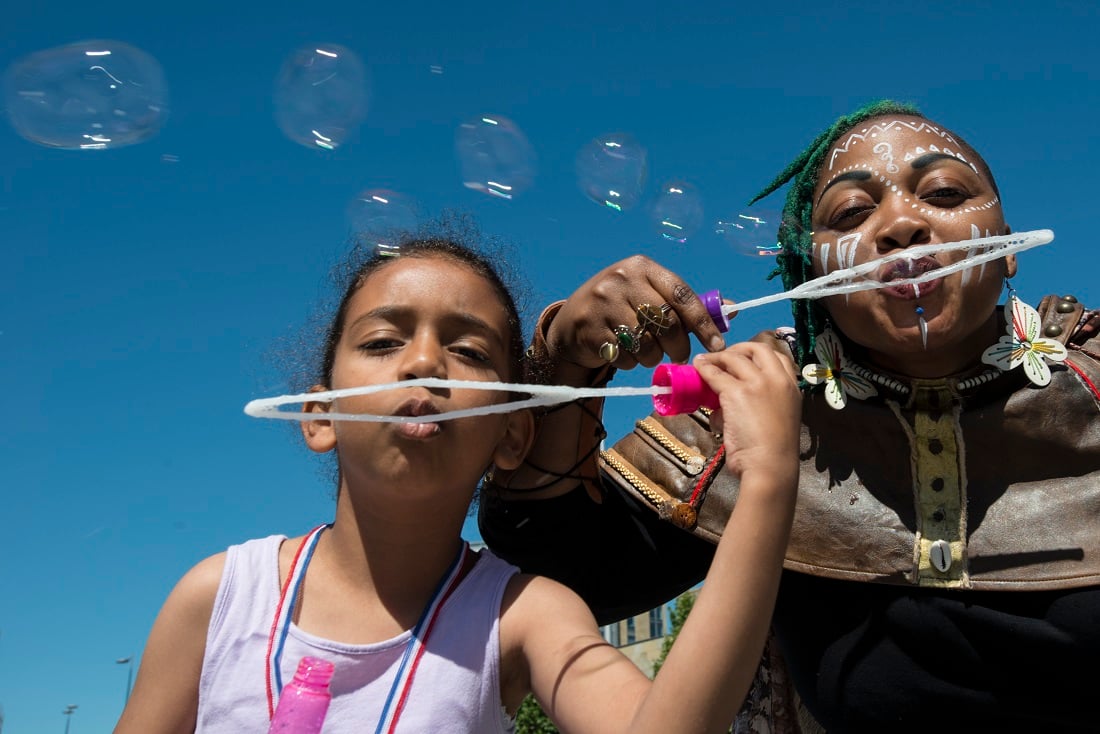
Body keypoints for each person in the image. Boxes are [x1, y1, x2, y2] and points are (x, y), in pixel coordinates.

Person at [479, 101, 1100, 732]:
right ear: (810, 274)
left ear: (1009, 247)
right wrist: (565, 363)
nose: (902, 225)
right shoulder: (754, 409)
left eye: (942, 193)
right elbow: (561, 572)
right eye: (854, 213)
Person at [114, 220, 804, 734]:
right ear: (319, 417)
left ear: (512, 433)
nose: (424, 363)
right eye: (383, 342)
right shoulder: (219, 599)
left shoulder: (522, 614)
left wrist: (766, 481)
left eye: (468, 350)